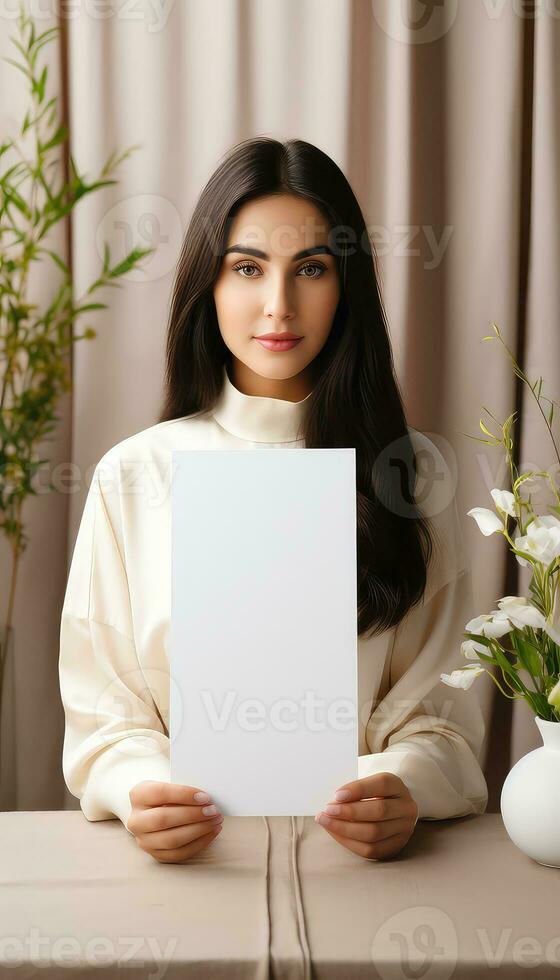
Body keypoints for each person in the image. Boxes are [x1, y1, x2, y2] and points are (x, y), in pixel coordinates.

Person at [59, 136, 488, 865]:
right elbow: (106, 717)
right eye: (248, 268)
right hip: (195, 863)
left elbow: (441, 721)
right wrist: (144, 788)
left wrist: (401, 786)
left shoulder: (411, 474)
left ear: (345, 284)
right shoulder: (133, 475)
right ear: (209, 284)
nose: (278, 305)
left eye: (311, 269)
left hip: (360, 865)